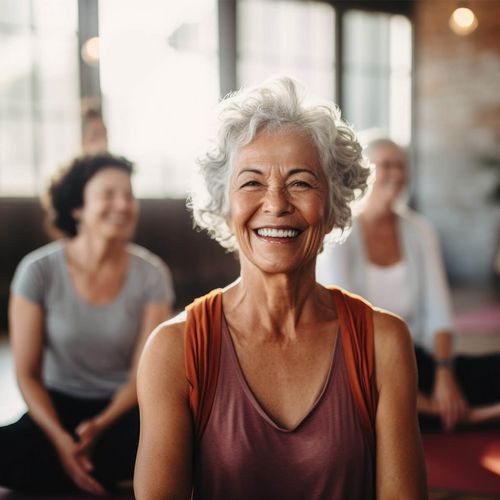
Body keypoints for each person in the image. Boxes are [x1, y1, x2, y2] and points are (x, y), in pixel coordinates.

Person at [134, 77, 427, 499]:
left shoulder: (384, 342)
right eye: (252, 182)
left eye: (301, 182)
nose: (276, 203)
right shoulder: (174, 349)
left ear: (334, 205)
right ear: (224, 202)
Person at [0, 153, 174, 494]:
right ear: (77, 208)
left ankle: (75, 471)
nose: (123, 204)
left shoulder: (152, 275)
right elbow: (27, 373)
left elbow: (143, 372)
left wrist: (99, 425)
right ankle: (78, 466)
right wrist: (61, 440)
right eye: (108, 194)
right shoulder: (37, 271)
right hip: (55, 408)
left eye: (128, 195)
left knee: (182, 448)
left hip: (122, 410)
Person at [317, 137, 500, 431]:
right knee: (362, 391)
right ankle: (465, 416)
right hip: (362, 358)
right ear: (363, 172)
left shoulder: (420, 232)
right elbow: (345, 322)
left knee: (489, 371)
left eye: (401, 166)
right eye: (386, 165)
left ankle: (434, 412)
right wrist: (402, 385)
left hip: (416, 357)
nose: (396, 174)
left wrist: (445, 374)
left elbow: (440, 313)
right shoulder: (340, 236)